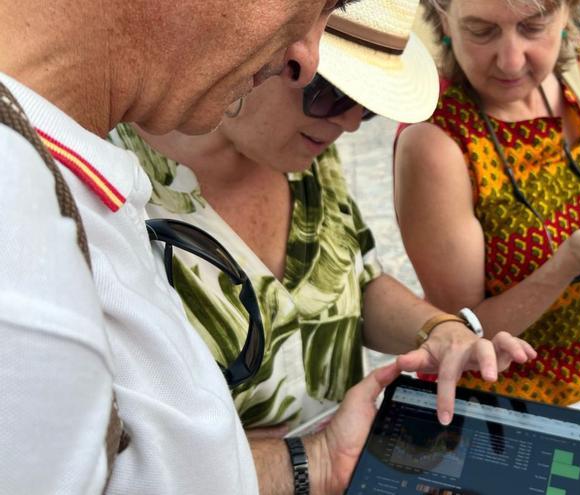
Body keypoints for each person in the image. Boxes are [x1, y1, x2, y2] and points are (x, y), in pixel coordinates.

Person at [0, 0, 530, 494]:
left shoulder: (306, 157)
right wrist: (308, 460)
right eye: (331, 92)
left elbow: (354, 278)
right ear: (273, 56)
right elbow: (105, 464)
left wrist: (438, 329)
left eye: (365, 109)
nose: (347, 122)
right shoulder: (91, 187)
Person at [394, 0, 580, 458]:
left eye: (533, 25)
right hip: (505, 416)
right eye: (482, 31)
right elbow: (463, 334)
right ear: (443, 19)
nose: (511, 60)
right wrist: (568, 263)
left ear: (569, 14)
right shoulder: (436, 144)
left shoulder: (568, 63)